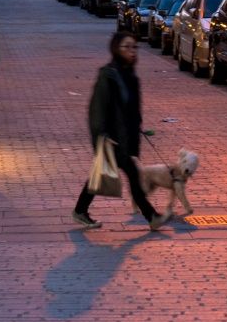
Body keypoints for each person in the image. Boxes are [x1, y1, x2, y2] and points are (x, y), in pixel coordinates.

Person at [72, 31, 167, 231]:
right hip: (112, 138)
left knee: (107, 174)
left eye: (134, 47)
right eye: (127, 47)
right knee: (125, 175)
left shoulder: (130, 75)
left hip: (124, 137)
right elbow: (97, 109)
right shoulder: (108, 75)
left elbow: (131, 109)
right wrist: (101, 136)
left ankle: (80, 210)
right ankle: (151, 216)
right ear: (116, 48)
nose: (132, 51)